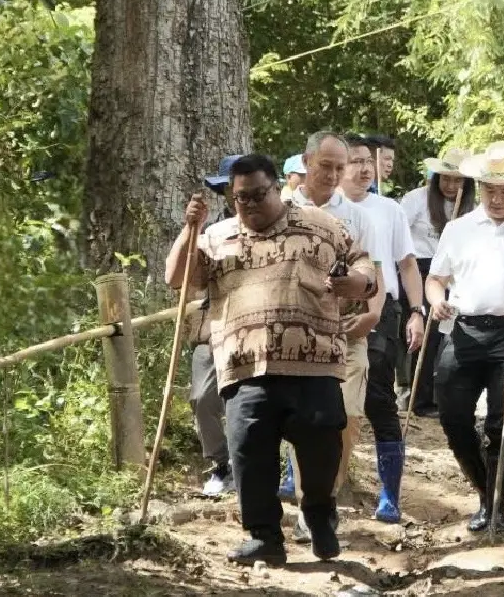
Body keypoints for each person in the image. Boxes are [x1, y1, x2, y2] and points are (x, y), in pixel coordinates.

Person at [166, 154, 377, 566]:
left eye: (258, 195)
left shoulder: (320, 224)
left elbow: (362, 265)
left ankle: (318, 517)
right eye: (240, 198)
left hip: (313, 365)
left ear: (276, 188)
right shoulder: (216, 235)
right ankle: (264, 537)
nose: (249, 205)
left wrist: (359, 283)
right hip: (245, 368)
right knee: (249, 454)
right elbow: (177, 277)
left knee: (321, 449)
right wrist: (189, 228)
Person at [426, 142, 504, 532]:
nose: (497, 199)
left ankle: (497, 506)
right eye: (489, 190)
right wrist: (435, 302)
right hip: (463, 332)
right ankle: (485, 489)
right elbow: (435, 279)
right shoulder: (458, 229)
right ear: (478, 188)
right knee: (452, 417)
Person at [287, 132, 387, 534]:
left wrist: (371, 315)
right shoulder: (281, 208)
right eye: (324, 166)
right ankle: (306, 507)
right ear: (307, 162)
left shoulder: (360, 217)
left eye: (338, 168)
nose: (331, 175)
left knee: (345, 419)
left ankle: (326, 497)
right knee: (303, 422)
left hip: (347, 335)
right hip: (295, 336)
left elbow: (373, 273)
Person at [339, 134, 426, 523]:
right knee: (316, 393)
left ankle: (389, 494)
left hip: (382, 307)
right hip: (326, 306)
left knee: (377, 396)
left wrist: (417, 311)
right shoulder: (321, 207)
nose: (363, 168)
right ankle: (301, 476)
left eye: (367, 161)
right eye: (354, 161)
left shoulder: (389, 209)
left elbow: (406, 263)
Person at [398, 148, 476, 417]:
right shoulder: (415, 200)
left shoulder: (471, 208)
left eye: (458, 180)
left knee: (447, 336)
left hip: (453, 273)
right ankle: (418, 399)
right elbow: (399, 232)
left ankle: (443, 395)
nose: (451, 186)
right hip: (420, 269)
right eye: (446, 179)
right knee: (425, 338)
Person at [182, 154, 242, 497]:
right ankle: (221, 464)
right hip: (214, 322)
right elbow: (184, 276)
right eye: (229, 189)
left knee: (245, 399)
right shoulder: (210, 229)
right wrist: (191, 228)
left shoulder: (274, 224)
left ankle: (245, 464)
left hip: (257, 327)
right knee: (203, 396)